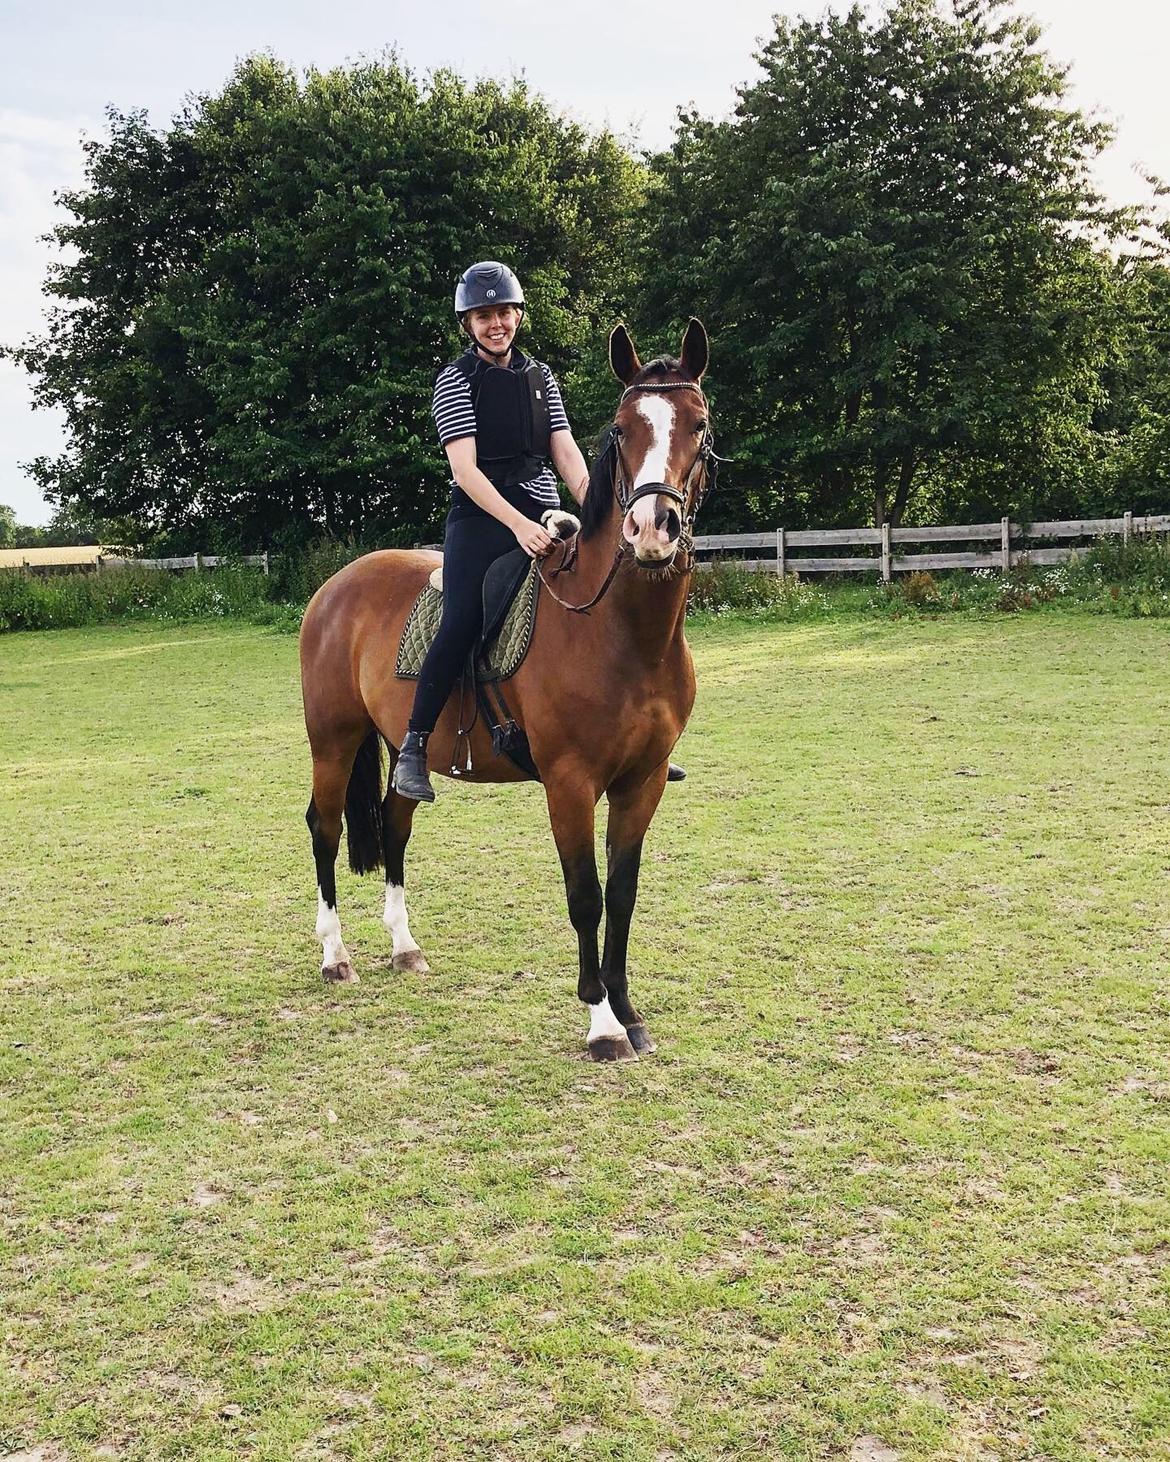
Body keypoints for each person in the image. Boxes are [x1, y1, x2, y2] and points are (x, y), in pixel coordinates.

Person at [392, 260, 685, 801]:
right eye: (483, 316)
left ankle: (636, 735)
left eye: (504, 312)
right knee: (462, 616)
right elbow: (465, 470)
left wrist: (605, 508)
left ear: (518, 315)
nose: (495, 324)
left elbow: (565, 451)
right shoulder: (454, 380)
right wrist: (518, 525)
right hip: (481, 519)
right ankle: (415, 743)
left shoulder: (540, 376)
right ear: (467, 324)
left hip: (545, 511)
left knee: (607, 601)